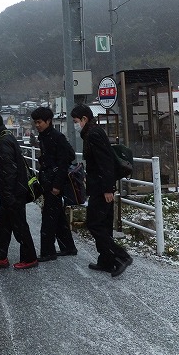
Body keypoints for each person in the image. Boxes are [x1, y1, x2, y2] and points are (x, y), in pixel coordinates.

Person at [70, 104, 133, 277]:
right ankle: (106, 261)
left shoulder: (93, 134)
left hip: (101, 187)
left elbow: (105, 163)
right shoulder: (92, 132)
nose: (75, 125)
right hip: (100, 185)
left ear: (84, 119)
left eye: (76, 121)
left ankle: (121, 257)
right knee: (103, 225)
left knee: (95, 224)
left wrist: (108, 189)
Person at [0, 111, 38, 270]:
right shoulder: (7, 137)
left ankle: (29, 258)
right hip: (13, 192)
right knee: (3, 226)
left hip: (12, 194)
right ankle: (0, 257)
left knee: (19, 226)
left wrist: (7, 195)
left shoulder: (4, 141)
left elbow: (8, 171)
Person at [30, 107, 78, 262]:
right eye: (35, 123)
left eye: (39, 122)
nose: (37, 125)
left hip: (54, 183)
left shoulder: (56, 137)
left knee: (49, 218)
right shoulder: (44, 136)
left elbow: (63, 163)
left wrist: (57, 185)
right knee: (57, 216)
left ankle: (48, 252)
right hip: (49, 181)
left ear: (48, 121)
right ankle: (68, 247)